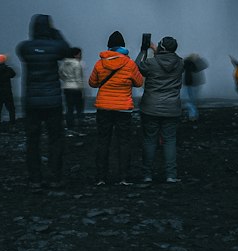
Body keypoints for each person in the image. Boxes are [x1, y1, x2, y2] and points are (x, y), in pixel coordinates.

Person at [16, 14, 71, 189]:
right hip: (53, 101)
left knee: (33, 140)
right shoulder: (55, 47)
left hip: (31, 101)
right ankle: (55, 177)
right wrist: (55, 32)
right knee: (55, 139)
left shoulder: (24, 48)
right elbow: (67, 50)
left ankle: (35, 179)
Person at [88, 31, 143, 185]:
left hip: (104, 108)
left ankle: (101, 178)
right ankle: (124, 177)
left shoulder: (100, 63)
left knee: (103, 141)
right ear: (123, 46)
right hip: (123, 109)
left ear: (109, 46)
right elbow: (139, 83)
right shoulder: (130, 64)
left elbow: (92, 83)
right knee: (124, 142)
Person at [136, 35, 184, 183]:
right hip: (172, 108)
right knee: (170, 141)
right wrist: (157, 49)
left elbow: (136, 66)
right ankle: (171, 175)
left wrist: (144, 50)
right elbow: (168, 59)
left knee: (150, 140)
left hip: (150, 107)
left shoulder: (151, 63)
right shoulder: (180, 63)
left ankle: (147, 175)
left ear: (161, 47)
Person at [59, 47, 86, 133]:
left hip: (66, 87)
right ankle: (80, 127)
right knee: (79, 109)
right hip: (76, 88)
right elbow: (78, 78)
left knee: (69, 108)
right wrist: (81, 89)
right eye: (79, 54)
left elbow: (60, 74)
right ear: (75, 54)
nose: (80, 56)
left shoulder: (63, 63)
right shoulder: (77, 64)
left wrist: (66, 81)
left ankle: (70, 127)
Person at [0, 53, 18, 132]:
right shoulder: (8, 69)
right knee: (11, 109)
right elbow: (14, 74)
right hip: (7, 91)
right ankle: (12, 125)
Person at [182, 52, 208, 124]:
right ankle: (193, 114)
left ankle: (193, 115)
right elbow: (204, 65)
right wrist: (198, 59)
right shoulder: (192, 63)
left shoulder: (187, 63)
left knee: (190, 100)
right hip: (195, 84)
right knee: (191, 100)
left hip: (190, 84)